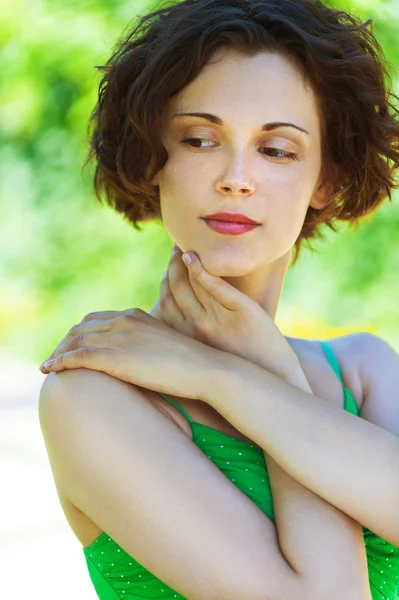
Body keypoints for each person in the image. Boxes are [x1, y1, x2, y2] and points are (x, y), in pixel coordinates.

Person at [38, 0, 399, 598]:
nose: (236, 176)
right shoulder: (93, 396)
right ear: (153, 159)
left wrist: (235, 374)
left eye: (277, 149)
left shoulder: (366, 371)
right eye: (200, 139)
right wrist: (263, 377)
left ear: (326, 179)